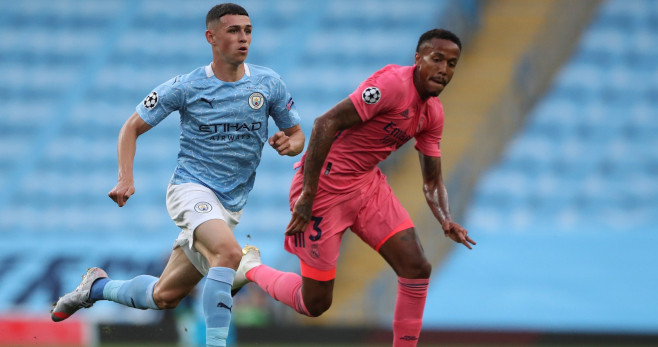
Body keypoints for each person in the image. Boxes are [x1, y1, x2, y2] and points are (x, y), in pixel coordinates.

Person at [50, 3, 305, 347]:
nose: (243, 38)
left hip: (229, 206)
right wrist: (125, 177)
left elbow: (298, 135)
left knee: (165, 296)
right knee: (229, 255)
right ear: (211, 37)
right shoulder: (186, 86)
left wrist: (290, 144)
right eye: (233, 31)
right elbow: (131, 127)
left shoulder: (269, 84)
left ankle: (95, 287)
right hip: (191, 190)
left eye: (247, 30)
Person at [231, 28, 475, 346]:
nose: (444, 70)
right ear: (418, 59)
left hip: (366, 185)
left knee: (416, 267)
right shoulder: (390, 86)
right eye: (437, 59)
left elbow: (431, 180)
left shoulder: (433, 114)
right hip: (324, 190)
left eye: (452, 64)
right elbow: (324, 123)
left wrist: (445, 218)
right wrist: (308, 194)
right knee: (315, 303)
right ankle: (249, 267)